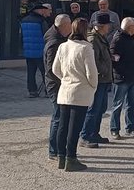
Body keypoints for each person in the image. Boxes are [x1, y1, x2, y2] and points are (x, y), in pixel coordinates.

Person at [51, 18, 97, 170]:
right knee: (74, 127)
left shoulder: (63, 46)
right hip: (80, 90)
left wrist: (65, 79)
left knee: (63, 125)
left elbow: (55, 69)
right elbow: (91, 73)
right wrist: (92, 86)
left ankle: (61, 157)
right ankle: (71, 158)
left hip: (65, 90)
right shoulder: (86, 48)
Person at [81, 13, 114, 148]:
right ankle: (85, 135)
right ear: (102, 26)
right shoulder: (94, 39)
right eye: (107, 25)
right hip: (99, 78)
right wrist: (105, 69)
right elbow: (93, 60)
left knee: (101, 108)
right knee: (94, 108)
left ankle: (94, 133)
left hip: (104, 78)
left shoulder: (101, 38)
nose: (109, 27)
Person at [109, 17, 134, 139]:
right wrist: (120, 69)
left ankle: (130, 128)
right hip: (122, 77)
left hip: (133, 76)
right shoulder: (118, 39)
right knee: (118, 104)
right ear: (129, 27)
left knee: (132, 104)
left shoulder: (133, 37)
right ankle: (114, 129)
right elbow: (113, 58)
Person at [44, 15, 73, 159]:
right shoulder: (54, 43)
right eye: (69, 25)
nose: (71, 28)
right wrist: (64, 81)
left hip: (59, 84)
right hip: (56, 85)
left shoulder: (60, 38)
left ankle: (59, 148)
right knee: (58, 117)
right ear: (64, 26)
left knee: (61, 116)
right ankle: (53, 150)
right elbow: (51, 69)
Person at [21, 3, 52, 98]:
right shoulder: (41, 21)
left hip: (28, 51)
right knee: (45, 72)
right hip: (40, 51)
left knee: (31, 72)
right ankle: (48, 91)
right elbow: (47, 35)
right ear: (40, 11)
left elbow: (21, 36)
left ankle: (32, 91)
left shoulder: (23, 20)